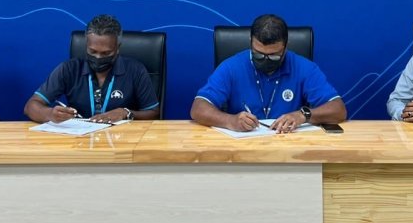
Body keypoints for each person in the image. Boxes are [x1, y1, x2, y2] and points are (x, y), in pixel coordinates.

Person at [191, 14, 346, 133]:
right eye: (258, 54)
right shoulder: (231, 67)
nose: (265, 60)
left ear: (286, 47)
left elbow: (338, 110)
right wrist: (230, 121)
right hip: (241, 149)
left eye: (273, 56)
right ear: (250, 42)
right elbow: (198, 108)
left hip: (290, 147)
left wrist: (302, 115)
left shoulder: (304, 68)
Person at [25, 14, 159, 123]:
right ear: (86, 45)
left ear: (117, 48)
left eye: (106, 53)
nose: (98, 57)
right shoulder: (69, 69)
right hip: (78, 140)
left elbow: (154, 113)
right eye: (93, 51)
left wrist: (126, 113)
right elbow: (31, 106)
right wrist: (49, 114)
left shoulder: (135, 70)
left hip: (122, 139)